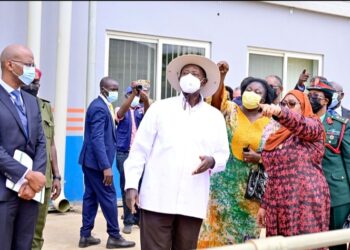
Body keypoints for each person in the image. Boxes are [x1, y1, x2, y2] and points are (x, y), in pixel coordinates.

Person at [124, 54, 229, 250]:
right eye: (185, 73)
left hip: (192, 200)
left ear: (204, 81)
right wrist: (131, 185)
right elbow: (139, 151)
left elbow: (223, 154)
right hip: (157, 198)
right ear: (179, 79)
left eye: (195, 73)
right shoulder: (159, 109)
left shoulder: (214, 117)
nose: (189, 76)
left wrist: (213, 161)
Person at [198, 74, 275, 246]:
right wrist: (221, 77)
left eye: (257, 92)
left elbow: (280, 156)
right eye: (248, 90)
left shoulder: (272, 123)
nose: (252, 93)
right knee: (215, 231)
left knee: (246, 235)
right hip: (222, 187)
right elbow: (217, 102)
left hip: (252, 190)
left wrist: (260, 158)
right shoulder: (231, 110)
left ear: (264, 98)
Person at [256, 90, 330, 242]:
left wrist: (280, 111)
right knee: (278, 245)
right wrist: (265, 205)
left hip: (305, 201)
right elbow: (273, 174)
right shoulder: (276, 134)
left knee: (304, 244)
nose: (287, 107)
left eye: (292, 104)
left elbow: (301, 124)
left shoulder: (313, 126)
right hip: (278, 203)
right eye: (283, 104)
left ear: (303, 106)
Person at [78, 76, 135, 248]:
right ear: (103, 89)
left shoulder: (104, 106)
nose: (115, 92)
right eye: (112, 88)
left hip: (91, 162)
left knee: (91, 197)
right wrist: (106, 167)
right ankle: (114, 236)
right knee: (109, 197)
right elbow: (97, 139)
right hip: (96, 164)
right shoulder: (99, 108)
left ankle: (85, 235)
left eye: (117, 88)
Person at [0, 44, 47, 250]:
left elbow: (41, 142)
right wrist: (26, 175)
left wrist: (34, 181)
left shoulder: (31, 101)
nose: (32, 69)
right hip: (3, 193)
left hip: (30, 194)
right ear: (10, 65)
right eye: (28, 64)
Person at [20, 68, 62, 250]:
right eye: (30, 82)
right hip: (18, 178)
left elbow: (51, 144)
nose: (33, 86)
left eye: (36, 83)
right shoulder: (11, 105)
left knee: (37, 232)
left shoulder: (45, 107)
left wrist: (57, 176)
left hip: (42, 179)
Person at [307, 80, 350, 250]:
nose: (311, 99)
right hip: (309, 194)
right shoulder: (301, 123)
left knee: (335, 243)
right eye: (309, 95)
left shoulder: (340, 124)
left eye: (315, 96)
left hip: (336, 193)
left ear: (326, 100)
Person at [115, 80, 150, 234]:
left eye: (135, 94)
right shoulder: (120, 109)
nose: (135, 97)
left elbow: (149, 118)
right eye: (131, 93)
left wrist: (146, 99)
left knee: (142, 187)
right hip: (124, 153)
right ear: (127, 95)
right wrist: (133, 96)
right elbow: (120, 114)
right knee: (127, 186)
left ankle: (139, 219)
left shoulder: (141, 110)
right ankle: (128, 220)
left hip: (140, 155)